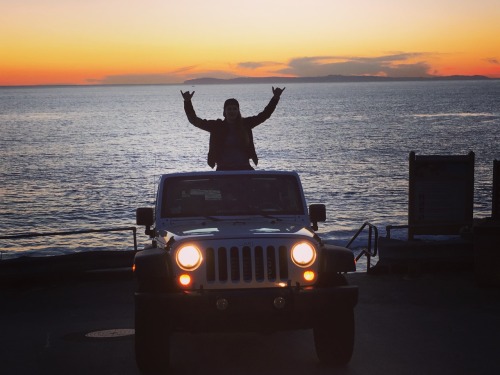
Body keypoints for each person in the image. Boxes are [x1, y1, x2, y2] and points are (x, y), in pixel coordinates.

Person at [181, 87, 285, 171]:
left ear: (238, 111)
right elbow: (194, 120)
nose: (232, 111)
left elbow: (264, 115)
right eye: (229, 109)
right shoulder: (216, 126)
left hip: (244, 168)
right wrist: (187, 101)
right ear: (224, 111)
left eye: (235, 109)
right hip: (223, 170)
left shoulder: (246, 124)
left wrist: (275, 98)